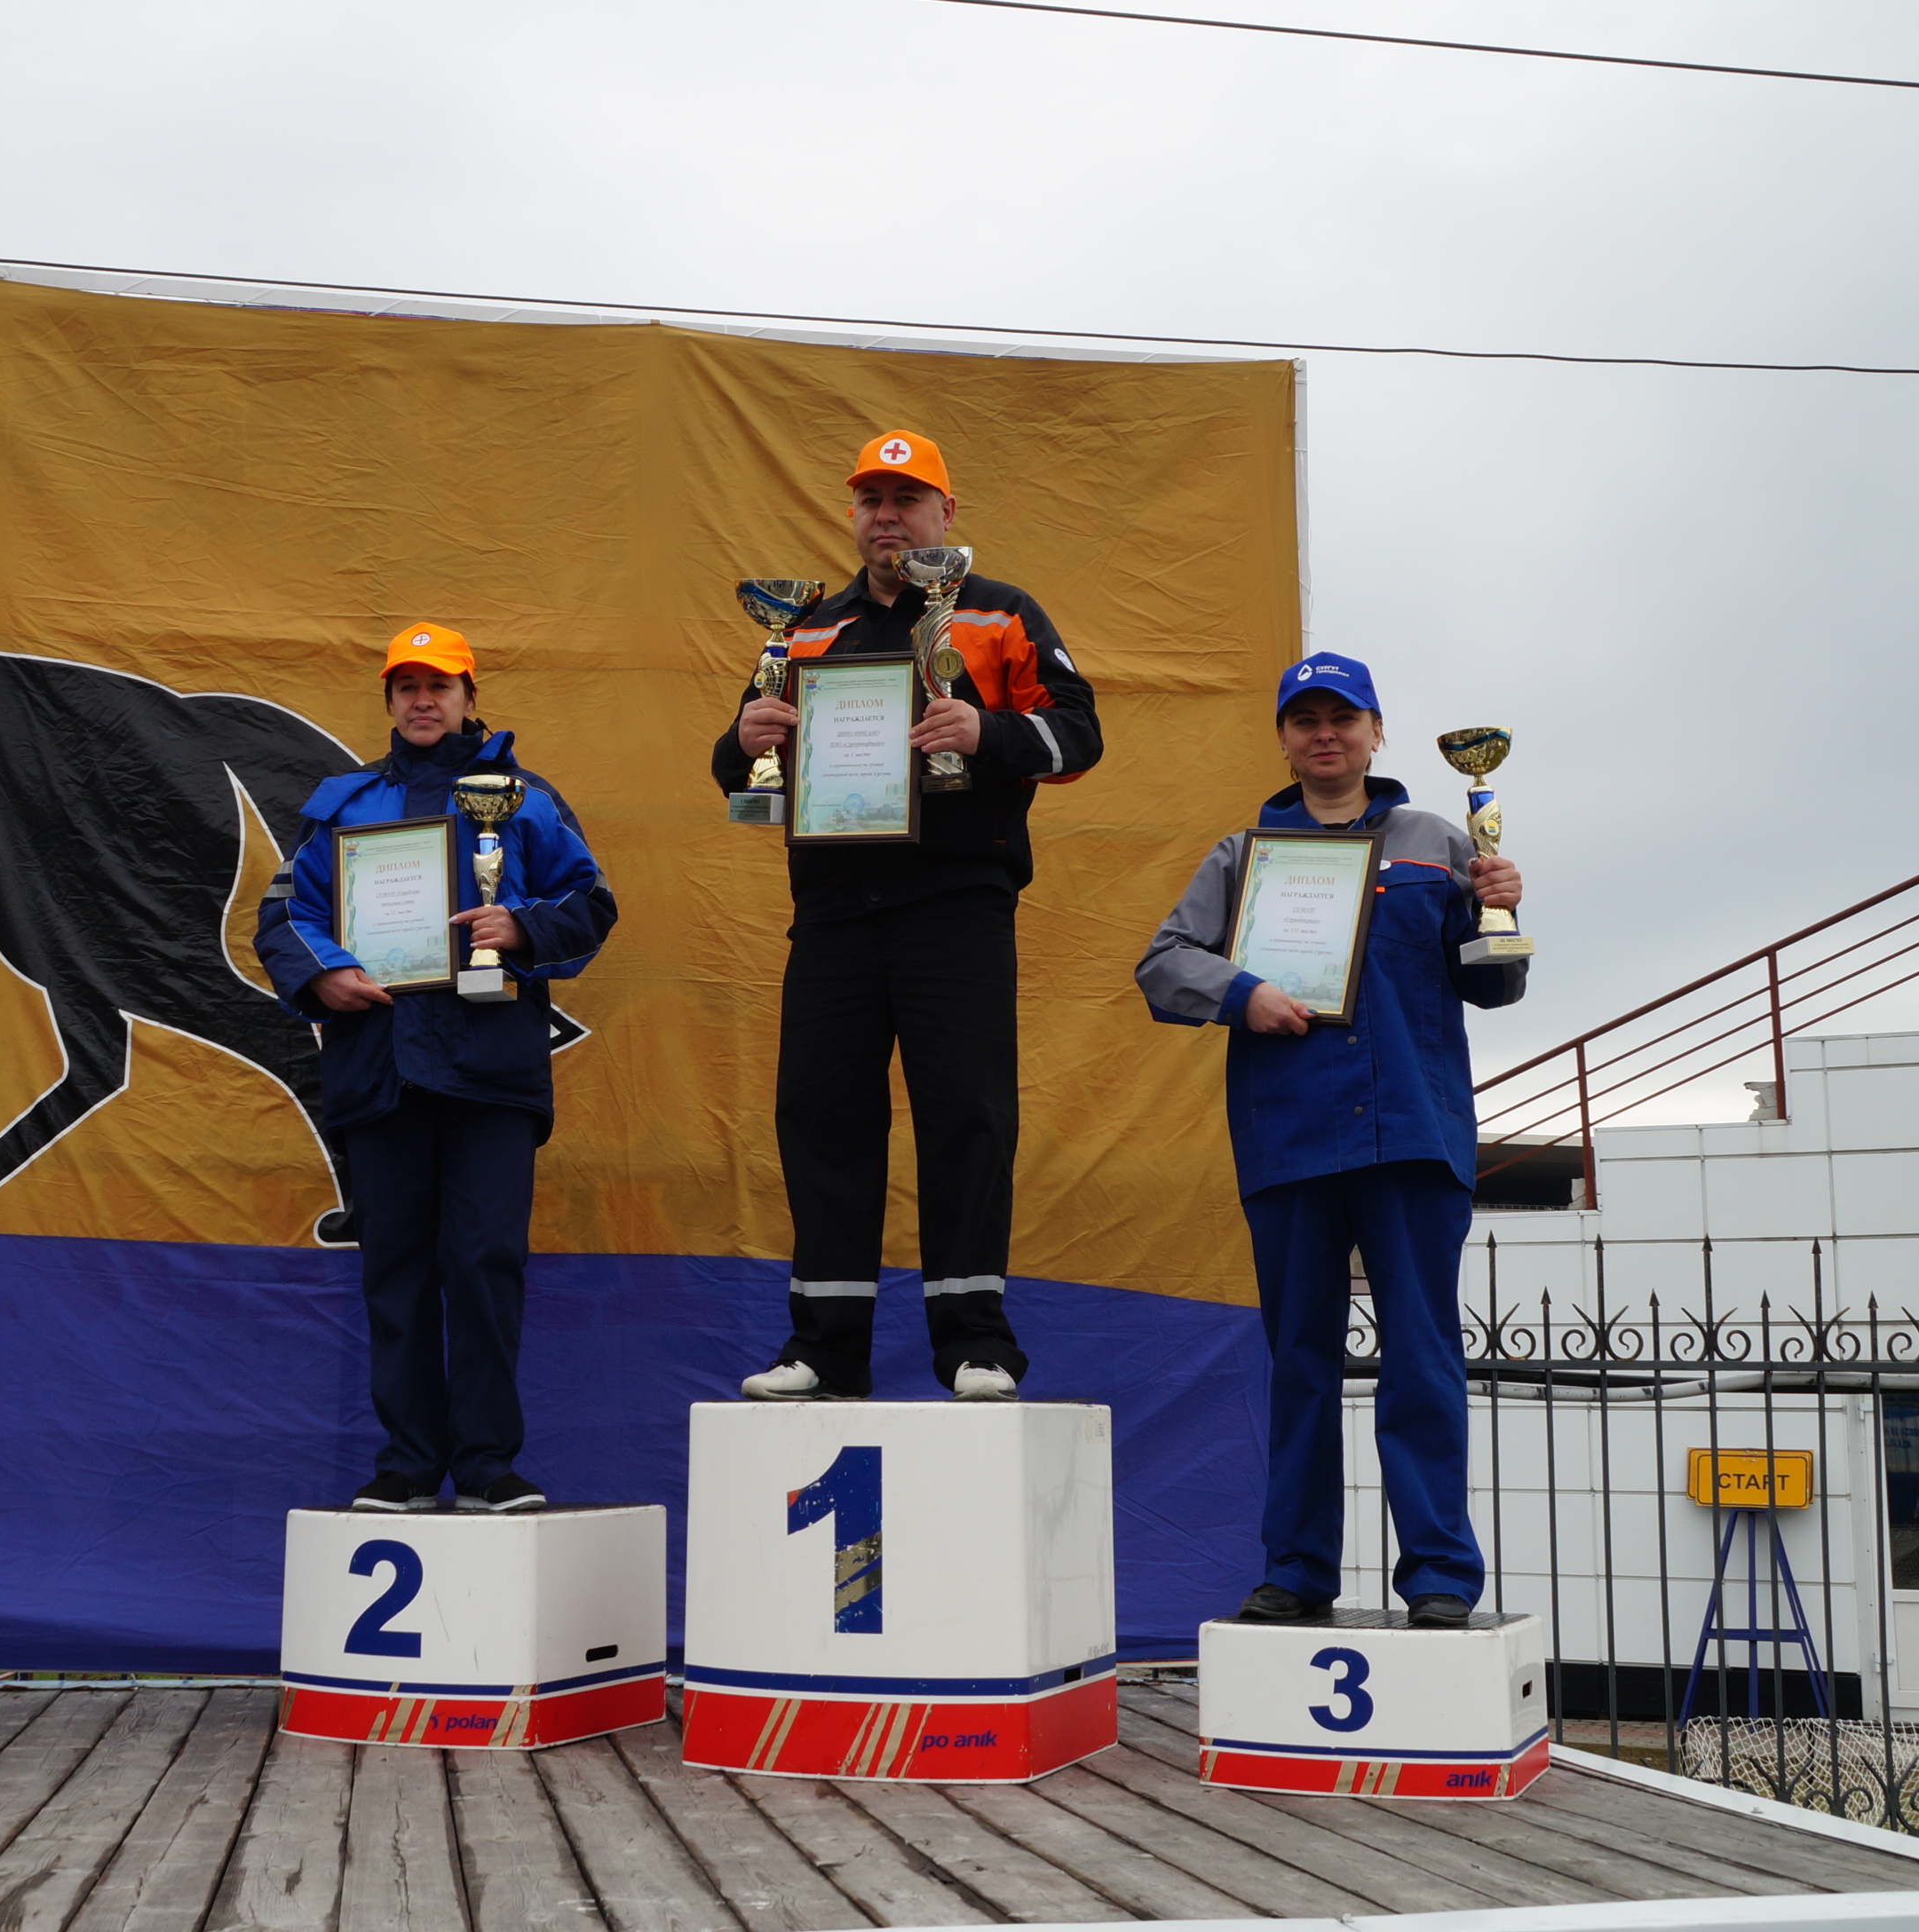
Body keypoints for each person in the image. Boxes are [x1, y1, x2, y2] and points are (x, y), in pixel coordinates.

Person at [1130, 658, 1528, 1627]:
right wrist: (1244, 993)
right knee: (1299, 1361)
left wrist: (1502, 907)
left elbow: (1493, 985)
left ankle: (1438, 1575)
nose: (1324, 735)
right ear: (1281, 738)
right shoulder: (1243, 855)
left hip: (1412, 1136)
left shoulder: (1438, 842)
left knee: (1422, 1359)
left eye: (1341, 718)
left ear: (1375, 730)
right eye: (1303, 719)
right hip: (1291, 1138)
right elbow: (1161, 964)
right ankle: (1298, 1568)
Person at [708, 431, 1100, 1401]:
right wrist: (742, 737)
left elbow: (1079, 732)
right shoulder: (805, 627)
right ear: (852, 514)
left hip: (955, 906)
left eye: (907, 498)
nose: (886, 516)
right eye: (870, 500)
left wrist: (987, 731)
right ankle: (823, 1349)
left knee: (967, 1117)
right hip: (834, 912)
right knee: (820, 1119)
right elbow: (741, 767)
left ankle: (975, 1344)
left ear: (946, 512)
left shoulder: (999, 611)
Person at [257, 625, 615, 1512]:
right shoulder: (343, 806)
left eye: (439, 685)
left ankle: (487, 1465)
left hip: (488, 1072)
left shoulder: (524, 800)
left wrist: (520, 926)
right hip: (380, 1070)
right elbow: (285, 914)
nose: (423, 700)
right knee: (397, 1272)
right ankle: (409, 1465)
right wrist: (323, 974)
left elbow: (591, 901)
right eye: (407, 686)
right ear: (388, 701)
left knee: (485, 1265)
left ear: (468, 697)